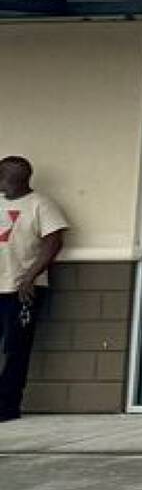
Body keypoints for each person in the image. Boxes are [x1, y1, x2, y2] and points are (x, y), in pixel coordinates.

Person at [0, 157, 68, 423]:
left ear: (14, 179)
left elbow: (54, 242)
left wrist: (30, 276)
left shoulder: (40, 204)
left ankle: (7, 406)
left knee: (15, 349)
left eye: (2, 175)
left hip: (21, 289)